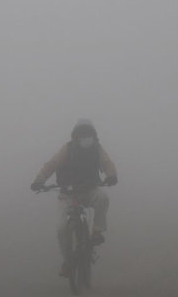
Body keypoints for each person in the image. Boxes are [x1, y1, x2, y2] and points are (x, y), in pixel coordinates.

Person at [31, 119, 118, 277]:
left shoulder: (97, 148)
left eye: (89, 135)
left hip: (89, 190)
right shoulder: (67, 149)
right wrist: (39, 180)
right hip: (68, 194)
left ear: (94, 136)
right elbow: (51, 164)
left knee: (103, 198)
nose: (86, 138)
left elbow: (107, 163)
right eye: (82, 135)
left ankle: (97, 232)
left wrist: (111, 175)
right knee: (61, 229)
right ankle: (68, 260)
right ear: (76, 137)